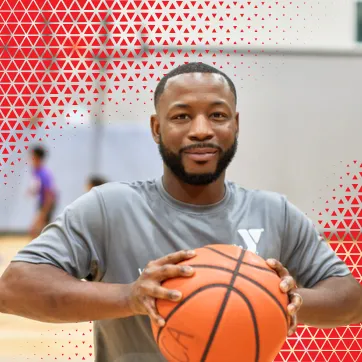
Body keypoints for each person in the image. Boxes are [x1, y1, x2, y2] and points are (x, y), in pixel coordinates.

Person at [1, 63, 361, 362]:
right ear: (157, 128)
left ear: (235, 124)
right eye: (182, 116)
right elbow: (12, 289)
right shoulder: (110, 208)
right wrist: (129, 297)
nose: (200, 130)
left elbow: (351, 300)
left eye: (217, 115)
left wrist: (285, 297)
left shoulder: (275, 212)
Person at [27, 145, 57, 239]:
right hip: (42, 202)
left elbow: (49, 194)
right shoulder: (36, 171)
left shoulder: (44, 173)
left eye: (32, 157)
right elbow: (37, 187)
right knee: (41, 230)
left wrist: (44, 211)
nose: (30, 160)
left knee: (35, 230)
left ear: (37, 158)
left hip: (47, 203)